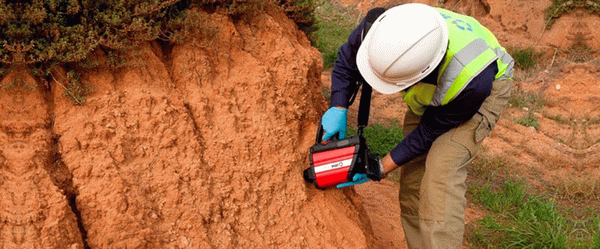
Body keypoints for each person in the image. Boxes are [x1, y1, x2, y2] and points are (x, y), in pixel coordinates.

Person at [320, 3, 514, 248]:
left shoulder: (473, 81)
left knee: (440, 174)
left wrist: (381, 167)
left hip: (478, 89)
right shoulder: (382, 28)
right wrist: (338, 107)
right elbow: (348, 61)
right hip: (434, 88)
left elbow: (430, 131)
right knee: (413, 179)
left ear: (423, 72)